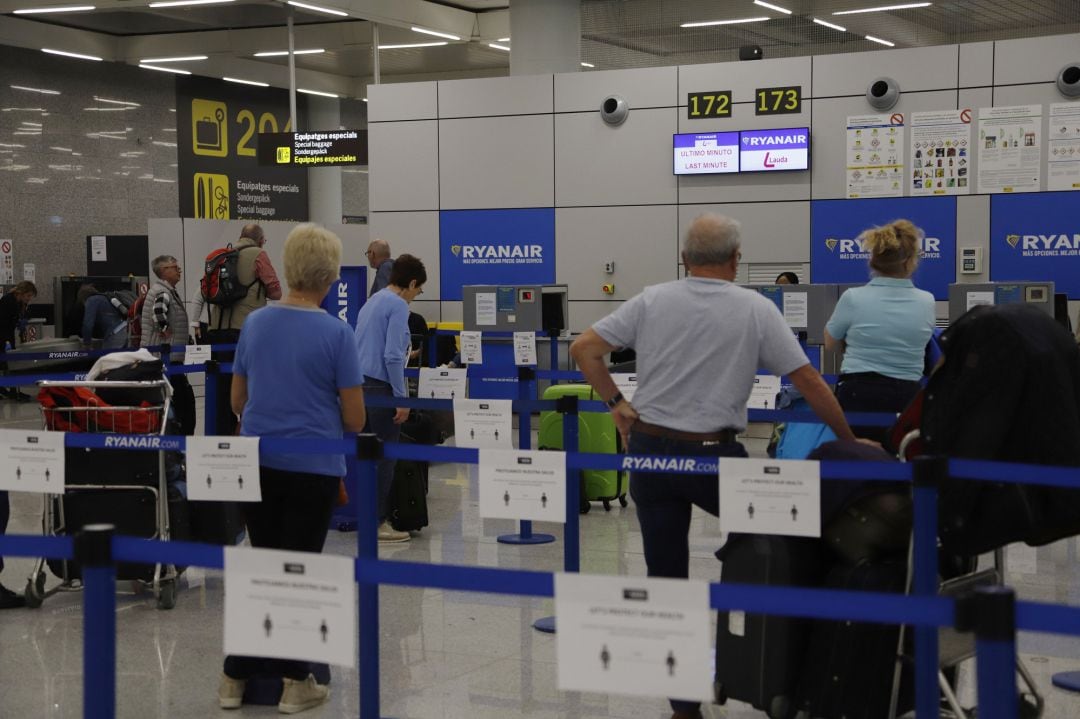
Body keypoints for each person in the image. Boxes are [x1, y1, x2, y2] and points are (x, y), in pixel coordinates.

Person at [570, 213, 861, 719]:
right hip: (714, 457)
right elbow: (811, 381)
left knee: (666, 577)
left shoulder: (652, 298)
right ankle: (773, 672)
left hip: (651, 454)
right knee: (779, 551)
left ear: (684, 258)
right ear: (735, 260)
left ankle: (684, 707)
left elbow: (583, 349)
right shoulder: (754, 307)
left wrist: (617, 402)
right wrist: (852, 442)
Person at [218, 223, 366, 714]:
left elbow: (238, 400)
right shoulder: (337, 332)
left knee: (261, 565)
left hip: (256, 461)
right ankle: (296, 679)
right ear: (330, 276)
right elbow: (355, 417)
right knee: (297, 571)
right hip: (312, 468)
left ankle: (233, 679)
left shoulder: (256, 324)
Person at [824, 219, 936, 441]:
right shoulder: (927, 301)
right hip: (906, 394)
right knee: (896, 461)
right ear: (910, 262)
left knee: (857, 459)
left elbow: (829, 342)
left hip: (857, 393)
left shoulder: (853, 298)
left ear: (873, 260)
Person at [354, 253, 426, 543]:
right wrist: (402, 398)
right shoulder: (397, 305)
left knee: (366, 456)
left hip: (359, 386)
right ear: (410, 283)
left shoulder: (373, 301)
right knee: (384, 458)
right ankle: (378, 522)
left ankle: (366, 517)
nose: (415, 297)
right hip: (381, 388)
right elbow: (394, 356)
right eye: (418, 290)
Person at [191, 224, 282, 436]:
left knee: (221, 388)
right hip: (246, 329)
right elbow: (276, 291)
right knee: (251, 386)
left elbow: (203, 291)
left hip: (216, 330)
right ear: (260, 240)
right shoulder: (259, 254)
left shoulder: (222, 256)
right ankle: (247, 436)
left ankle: (222, 437)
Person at [140, 256, 197, 435]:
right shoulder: (162, 291)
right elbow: (158, 312)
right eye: (174, 267)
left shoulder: (165, 290)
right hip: (165, 359)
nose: (179, 270)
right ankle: (180, 438)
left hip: (167, 358)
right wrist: (164, 328)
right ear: (164, 271)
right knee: (182, 401)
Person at [0, 280, 36, 402]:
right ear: (21, 292)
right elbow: (3, 322)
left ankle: (13, 390)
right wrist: (6, 342)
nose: (29, 298)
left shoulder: (20, 303)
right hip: (3, 336)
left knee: (10, 364)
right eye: (28, 296)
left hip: (9, 335)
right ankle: (8, 390)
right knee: (5, 364)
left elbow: (20, 317)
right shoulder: (7, 300)